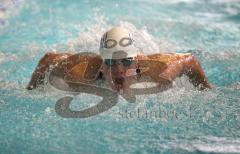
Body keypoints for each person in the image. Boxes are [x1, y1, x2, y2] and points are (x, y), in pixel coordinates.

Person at [27, 27, 212, 93]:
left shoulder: (157, 70)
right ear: (101, 64)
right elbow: (48, 59)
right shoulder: (79, 72)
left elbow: (189, 60)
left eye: (126, 61)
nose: (119, 70)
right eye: (110, 62)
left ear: (136, 61)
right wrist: (30, 91)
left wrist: (206, 91)